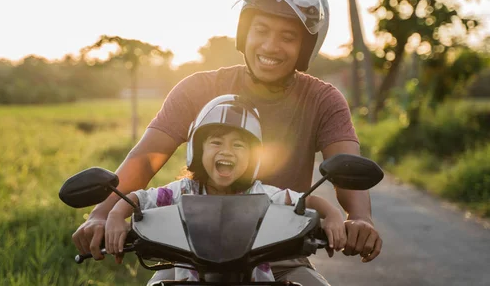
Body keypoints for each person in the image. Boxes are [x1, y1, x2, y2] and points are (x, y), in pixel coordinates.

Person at [72, 0, 382, 284]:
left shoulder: (322, 99)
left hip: (280, 256)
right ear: (244, 33)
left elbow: (348, 170)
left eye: (288, 37)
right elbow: (146, 157)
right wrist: (101, 214)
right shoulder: (198, 88)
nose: (271, 46)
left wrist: (359, 218)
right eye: (261, 30)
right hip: (190, 256)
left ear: (305, 47)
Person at [104, 95, 347, 283]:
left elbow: (305, 201)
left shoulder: (262, 194)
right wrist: (115, 216)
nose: (226, 151)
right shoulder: (183, 190)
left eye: (238, 145)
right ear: (198, 150)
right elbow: (139, 199)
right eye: (216, 142)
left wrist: (334, 216)